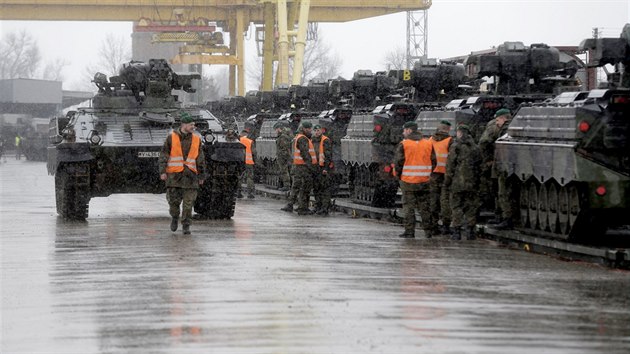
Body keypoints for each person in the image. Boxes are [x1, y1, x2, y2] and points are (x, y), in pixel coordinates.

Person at [159, 112, 206, 235]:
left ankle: (186, 225)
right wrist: (163, 171)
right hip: (174, 177)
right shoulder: (171, 137)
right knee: (174, 203)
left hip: (191, 177)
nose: (193, 127)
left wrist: (201, 175)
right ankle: (175, 217)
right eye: (191, 125)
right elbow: (164, 155)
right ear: (184, 125)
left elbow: (200, 158)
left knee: (188, 204)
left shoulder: (197, 139)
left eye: (194, 125)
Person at [393, 121, 435, 238]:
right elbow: (434, 161)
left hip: (408, 181)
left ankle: (410, 231)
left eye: (404, 130)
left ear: (409, 130)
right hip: (424, 181)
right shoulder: (427, 143)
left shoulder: (404, 144)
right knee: (424, 207)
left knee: (408, 207)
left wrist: (399, 176)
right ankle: (428, 230)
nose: (403, 132)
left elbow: (398, 163)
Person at [444, 124, 482, 240]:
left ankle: (456, 231)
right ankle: (470, 230)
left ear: (460, 133)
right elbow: (480, 165)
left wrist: (447, 181)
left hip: (457, 182)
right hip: (472, 183)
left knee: (456, 206)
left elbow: (450, 165)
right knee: (471, 206)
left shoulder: (456, 147)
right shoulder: (475, 147)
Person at [478, 108, 511, 218]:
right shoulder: (514, 125)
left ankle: (504, 217)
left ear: (502, 118)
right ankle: (502, 215)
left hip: (502, 166)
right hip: (507, 165)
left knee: (502, 192)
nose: (496, 123)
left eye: (497, 120)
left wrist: (485, 160)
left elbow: (484, 142)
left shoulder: (504, 130)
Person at [281, 121, 317, 215]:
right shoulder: (303, 139)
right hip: (303, 167)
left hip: (299, 166)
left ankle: (291, 204)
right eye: (309, 129)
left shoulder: (299, 137)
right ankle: (303, 207)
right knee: (305, 187)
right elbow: (305, 154)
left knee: (297, 186)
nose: (310, 131)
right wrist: (311, 167)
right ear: (304, 129)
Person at [428, 120, 454, 235]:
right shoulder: (450, 141)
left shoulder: (430, 140)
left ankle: (433, 225)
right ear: (448, 130)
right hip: (446, 174)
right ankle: (445, 225)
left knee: (433, 199)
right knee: (445, 200)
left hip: (432, 174)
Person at [311, 124, 333, 215]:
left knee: (324, 188)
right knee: (316, 188)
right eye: (315, 131)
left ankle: (324, 207)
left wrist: (325, 168)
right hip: (315, 167)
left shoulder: (325, 140)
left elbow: (328, 155)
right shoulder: (312, 140)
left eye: (318, 130)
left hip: (322, 167)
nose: (317, 132)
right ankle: (318, 206)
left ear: (321, 131)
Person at [274, 121, 293, 191]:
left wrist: (282, 157)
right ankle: (285, 184)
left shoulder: (283, 137)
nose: (275, 131)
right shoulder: (284, 136)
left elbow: (284, 148)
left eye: (275, 130)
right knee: (285, 171)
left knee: (284, 171)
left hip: (283, 157)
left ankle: (287, 185)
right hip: (285, 157)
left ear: (279, 129)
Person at [238, 129, 256, 199]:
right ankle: (250, 193)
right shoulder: (250, 141)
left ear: (241, 134)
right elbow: (254, 153)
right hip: (249, 162)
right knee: (249, 177)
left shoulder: (238, 141)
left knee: (239, 177)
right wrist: (255, 161)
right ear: (247, 134)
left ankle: (238, 192)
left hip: (240, 162)